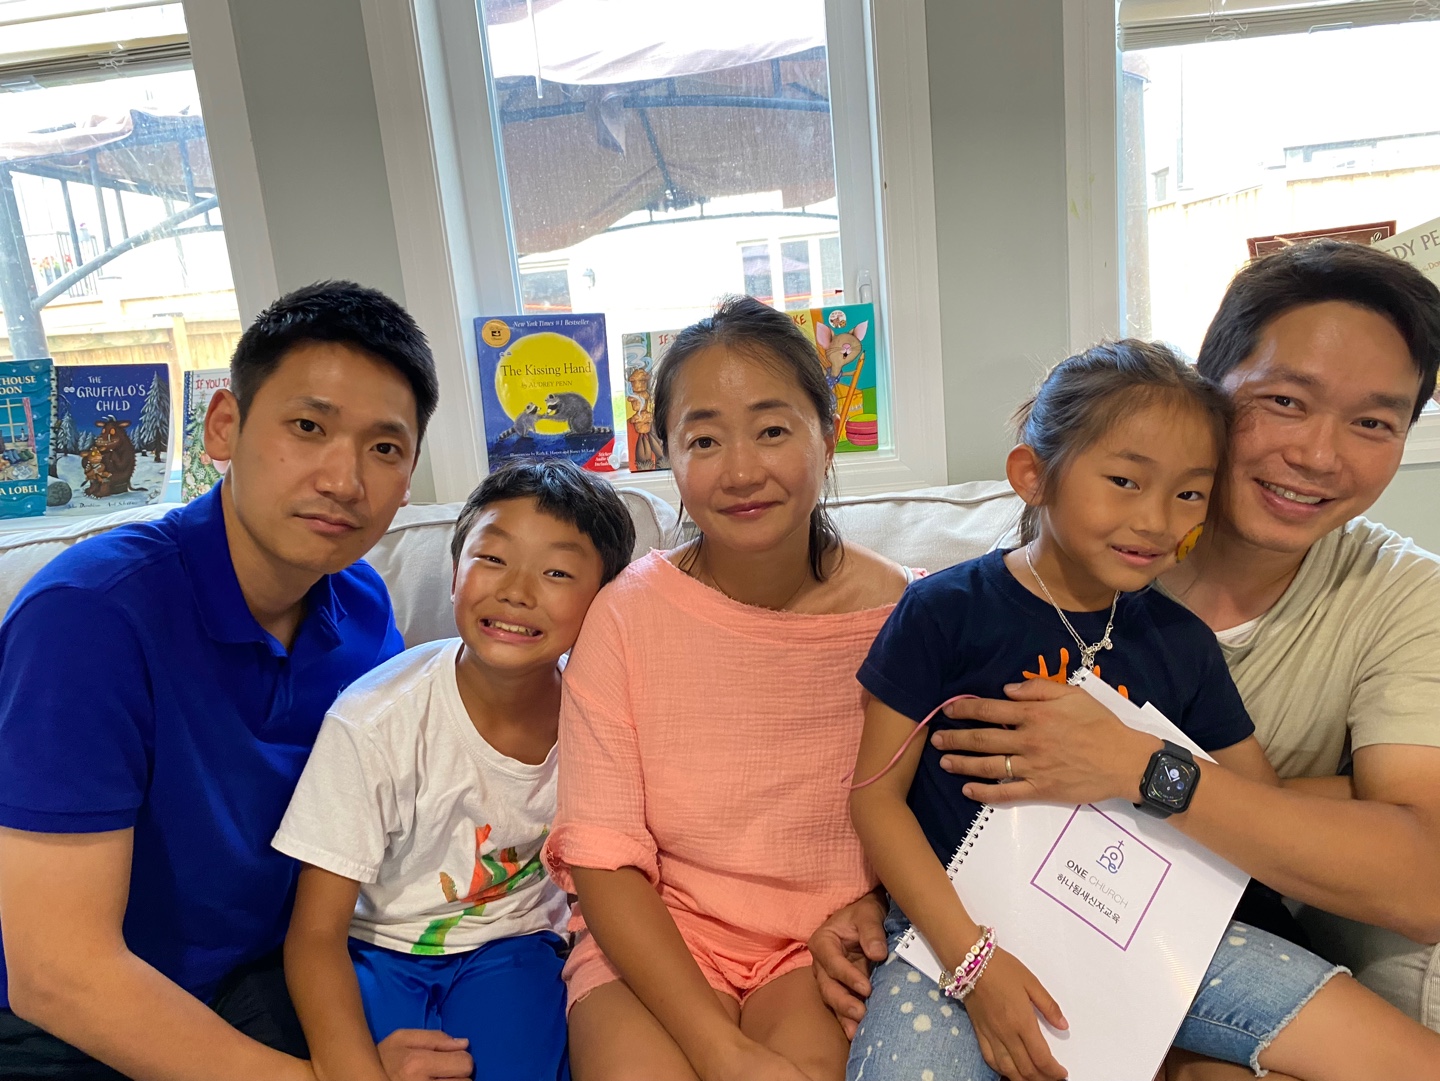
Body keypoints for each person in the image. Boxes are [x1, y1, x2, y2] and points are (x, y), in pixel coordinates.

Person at [807, 240, 1440, 1071]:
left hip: (1166, 925)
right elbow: (886, 789)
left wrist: (1135, 763)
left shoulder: (1201, 634)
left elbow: (1306, 825)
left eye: (1373, 421)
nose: (1320, 454)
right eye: (1288, 400)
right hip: (972, 930)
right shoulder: (964, 600)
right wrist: (924, 923)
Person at [0, 282, 470, 1081]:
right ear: (225, 424)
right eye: (308, 426)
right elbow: (59, 974)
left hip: (266, 977)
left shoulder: (361, 607)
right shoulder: (89, 616)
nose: (344, 479)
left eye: (385, 448)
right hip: (68, 1027)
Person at [540, 295, 912, 1081]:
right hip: (656, 937)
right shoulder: (626, 616)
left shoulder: (914, 618)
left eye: (772, 430)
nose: (741, 471)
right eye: (704, 439)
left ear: (828, 435)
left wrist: (877, 905)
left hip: (817, 946)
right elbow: (603, 855)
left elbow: (951, 819)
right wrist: (722, 1050)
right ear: (669, 456)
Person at [275, 459, 636, 1081]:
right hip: (376, 947)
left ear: (604, 601)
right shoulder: (374, 723)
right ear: (454, 573)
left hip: (516, 944)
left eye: (556, 572)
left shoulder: (602, 715)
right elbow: (313, 937)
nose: (516, 591)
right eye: (492, 559)